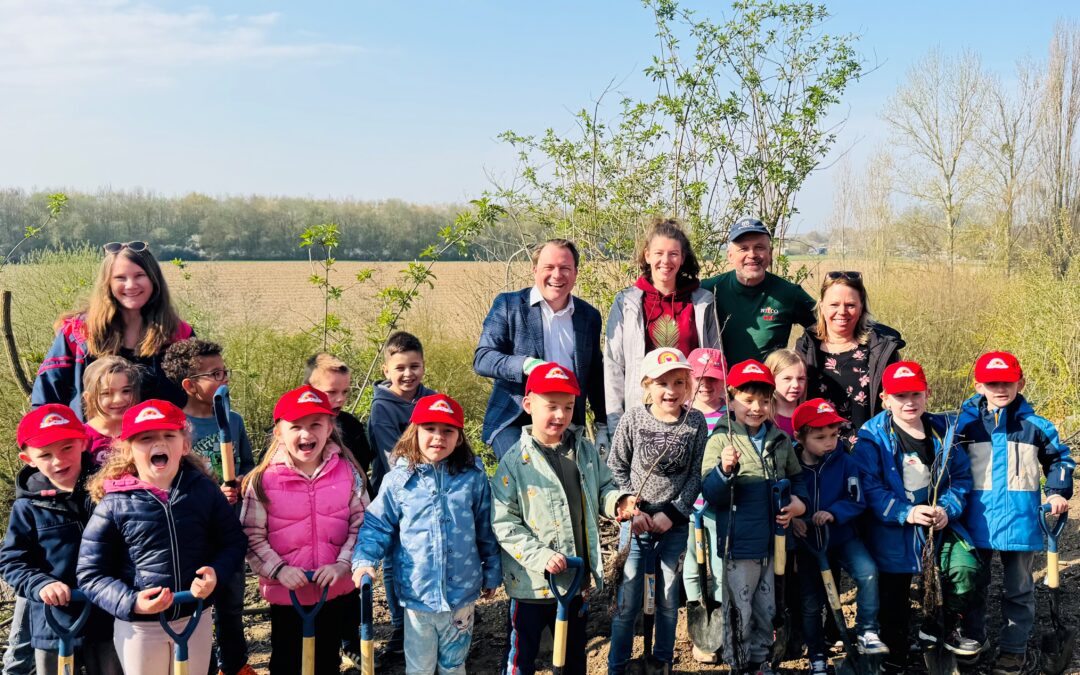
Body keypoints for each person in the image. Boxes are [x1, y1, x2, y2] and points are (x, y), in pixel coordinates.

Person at [77, 400, 247, 675]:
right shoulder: (115, 503)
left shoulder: (203, 491)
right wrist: (131, 602)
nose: (159, 444)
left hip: (195, 617)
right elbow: (90, 573)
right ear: (129, 449)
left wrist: (216, 573)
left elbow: (233, 542)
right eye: (146, 438)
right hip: (141, 628)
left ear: (185, 444)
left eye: (169, 435)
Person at [491, 362, 637, 675]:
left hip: (574, 581)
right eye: (551, 406)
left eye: (568, 407)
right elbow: (505, 523)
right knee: (521, 656)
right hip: (531, 585)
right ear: (529, 405)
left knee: (573, 657)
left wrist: (618, 503)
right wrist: (541, 556)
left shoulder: (584, 451)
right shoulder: (514, 462)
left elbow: (604, 488)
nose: (560, 415)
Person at [352, 393, 501, 675]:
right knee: (419, 667)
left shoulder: (472, 477)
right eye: (429, 429)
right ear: (414, 432)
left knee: (454, 664)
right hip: (417, 595)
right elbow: (377, 525)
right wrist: (364, 561)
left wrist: (492, 570)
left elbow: (485, 527)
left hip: (462, 595)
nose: (438, 437)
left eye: (447, 431)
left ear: (459, 437)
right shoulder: (398, 481)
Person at [853, 361, 980, 674]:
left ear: (927, 394)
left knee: (963, 567)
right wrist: (904, 512)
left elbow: (961, 478)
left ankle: (945, 627)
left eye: (915, 393)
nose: (908, 401)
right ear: (885, 398)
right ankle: (895, 653)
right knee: (893, 595)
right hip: (892, 528)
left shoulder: (944, 431)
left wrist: (946, 509)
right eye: (899, 395)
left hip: (938, 522)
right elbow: (869, 485)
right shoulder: (872, 437)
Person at [955, 352, 1075, 675]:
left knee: (1019, 588)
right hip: (975, 521)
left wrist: (1057, 492)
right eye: (992, 383)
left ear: (1019, 383)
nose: (1000, 388)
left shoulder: (1035, 426)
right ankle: (972, 640)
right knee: (973, 587)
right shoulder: (965, 426)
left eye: (1007, 382)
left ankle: (1013, 649)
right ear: (979, 385)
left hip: (1022, 522)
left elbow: (1061, 461)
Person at [240, 385, 368, 675]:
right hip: (288, 595)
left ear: (329, 427)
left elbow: (362, 524)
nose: (306, 434)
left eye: (315, 425)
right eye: (295, 426)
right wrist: (279, 570)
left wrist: (342, 564)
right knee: (286, 662)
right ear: (279, 432)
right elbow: (251, 536)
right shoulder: (263, 480)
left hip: (332, 589)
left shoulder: (347, 472)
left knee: (326, 662)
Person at [700, 360, 807, 675]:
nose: (757, 407)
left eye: (764, 400)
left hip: (775, 543)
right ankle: (739, 662)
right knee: (740, 609)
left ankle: (762, 661)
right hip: (740, 545)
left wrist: (799, 503)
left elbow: (796, 478)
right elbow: (711, 492)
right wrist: (725, 470)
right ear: (731, 399)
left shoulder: (779, 440)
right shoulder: (721, 440)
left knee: (767, 607)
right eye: (748, 400)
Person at [606, 348, 709, 674]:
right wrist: (631, 507)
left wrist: (676, 513)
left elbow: (697, 473)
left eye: (679, 382)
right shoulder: (634, 419)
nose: (671, 391)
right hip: (636, 521)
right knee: (629, 595)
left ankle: (661, 661)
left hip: (673, 523)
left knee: (666, 596)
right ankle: (617, 665)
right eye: (662, 383)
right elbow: (616, 467)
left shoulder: (695, 422)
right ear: (648, 384)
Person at [0, 405, 122, 675]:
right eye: (45, 455)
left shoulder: (108, 491)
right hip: (53, 623)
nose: (58, 461)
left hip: (108, 616)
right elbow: (11, 561)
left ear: (83, 442)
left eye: (67, 448)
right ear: (28, 458)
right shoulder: (28, 507)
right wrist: (41, 583)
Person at [161, 338, 257, 675]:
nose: (224, 378)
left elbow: (247, 465)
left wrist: (241, 483)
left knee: (231, 605)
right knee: (198, 605)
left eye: (224, 371)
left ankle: (236, 664)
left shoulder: (234, 420)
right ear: (189, 385)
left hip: (228, 531)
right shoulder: (175, 427)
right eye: (214, 374)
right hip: (194, 531)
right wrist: (212, 492)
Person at [474, 239, 607, 459]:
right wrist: (527, 365)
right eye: (549, 267)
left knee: (572, 486)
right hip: (515, 419)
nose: (557, 275)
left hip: (565, 418)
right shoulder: (509, 305)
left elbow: (594, 374)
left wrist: (603, 424)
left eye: (565, 268)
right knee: (526, 476)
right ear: (535, 269)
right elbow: (483, 358)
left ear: (575, 273)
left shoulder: (588, 316)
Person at [33, 241, 193, 419]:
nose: (131, 285)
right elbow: (47, 398)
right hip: (90, 444)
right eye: (120, 278)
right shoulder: (78, 333)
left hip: (160, 443)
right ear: (107, 284)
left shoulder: (179, 334)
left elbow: (200, 395)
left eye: (139, 275)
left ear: (154, 279)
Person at [789, 399, 887, 675]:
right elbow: (783, 497)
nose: (829, 442)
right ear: (800, 436)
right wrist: (796, 519)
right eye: (820, 437)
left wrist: (833, 512)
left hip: (842, 535)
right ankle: (817, 654)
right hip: (809, 542)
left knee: (867, 571)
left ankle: (867, 631)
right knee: (811, 602)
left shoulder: (845, 462)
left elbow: (857, 499)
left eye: (833, 435)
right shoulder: (792, 465)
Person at [605, 218, 718, 435]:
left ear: (683, 258)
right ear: (647, 255)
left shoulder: (703, 302)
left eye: (673, 254)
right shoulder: (626, 302)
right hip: (643, 415)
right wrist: (616, 426)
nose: (665, 260)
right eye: (658, 253)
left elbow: (713, 362)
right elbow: (613, 367)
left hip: (691, 415)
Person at [363, 332, 435, 660]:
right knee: (393, 561)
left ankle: (432, 615)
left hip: (434, 494)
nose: (408, 374)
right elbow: (394, 458)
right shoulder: (382, 408)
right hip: (394, 494)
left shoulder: (432, 400)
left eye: (415, 366)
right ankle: (398, 626)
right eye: (401, 367)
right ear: (386, 370)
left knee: (426, 554)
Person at [795, 271, 904, 445]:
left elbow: (901, 401)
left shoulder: (881, 350)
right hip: (817, 456)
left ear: (862, 308)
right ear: (821, 306)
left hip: (869, 453)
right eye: (834, 304)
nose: (842, 312)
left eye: (850, 305)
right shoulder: (805, 349)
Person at [700, 218, 815, 364]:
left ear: (770, 253)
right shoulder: (709, 290)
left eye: (759, 247)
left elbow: (827, 326)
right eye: (743, 248)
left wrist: (798, 361)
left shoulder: (789, 294)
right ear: (730, 256)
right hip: (722, 385)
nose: (752, 254)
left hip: (769, 385)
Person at [681, 347, 728, 665]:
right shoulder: (681, 415)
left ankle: (722, 626)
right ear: (688, 379)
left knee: (721, 567)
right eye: (700, 379)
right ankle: (702, 635)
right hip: (689, 507)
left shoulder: (731, 416)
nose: (707, 386)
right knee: (693, 568)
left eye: (713, 379)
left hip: (722, 507)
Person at [305, 352, 376, 488]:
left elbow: (363, 464)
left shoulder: (352, 426)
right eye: (331, 392)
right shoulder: (291, 429)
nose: (340, 399)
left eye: (345, 392)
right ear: (309, 390)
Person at [82, 356, 142, 465]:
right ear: (89, 398)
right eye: (107, 393)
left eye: (126, 391)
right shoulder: (82, 438)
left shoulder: (144, 430)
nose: (118, 399)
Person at [764, 349, 807, 437]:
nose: (795, 385)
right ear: (771, 378)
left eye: (801, 378)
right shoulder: (762, 416)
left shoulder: (810, 414)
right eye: (787, 378)